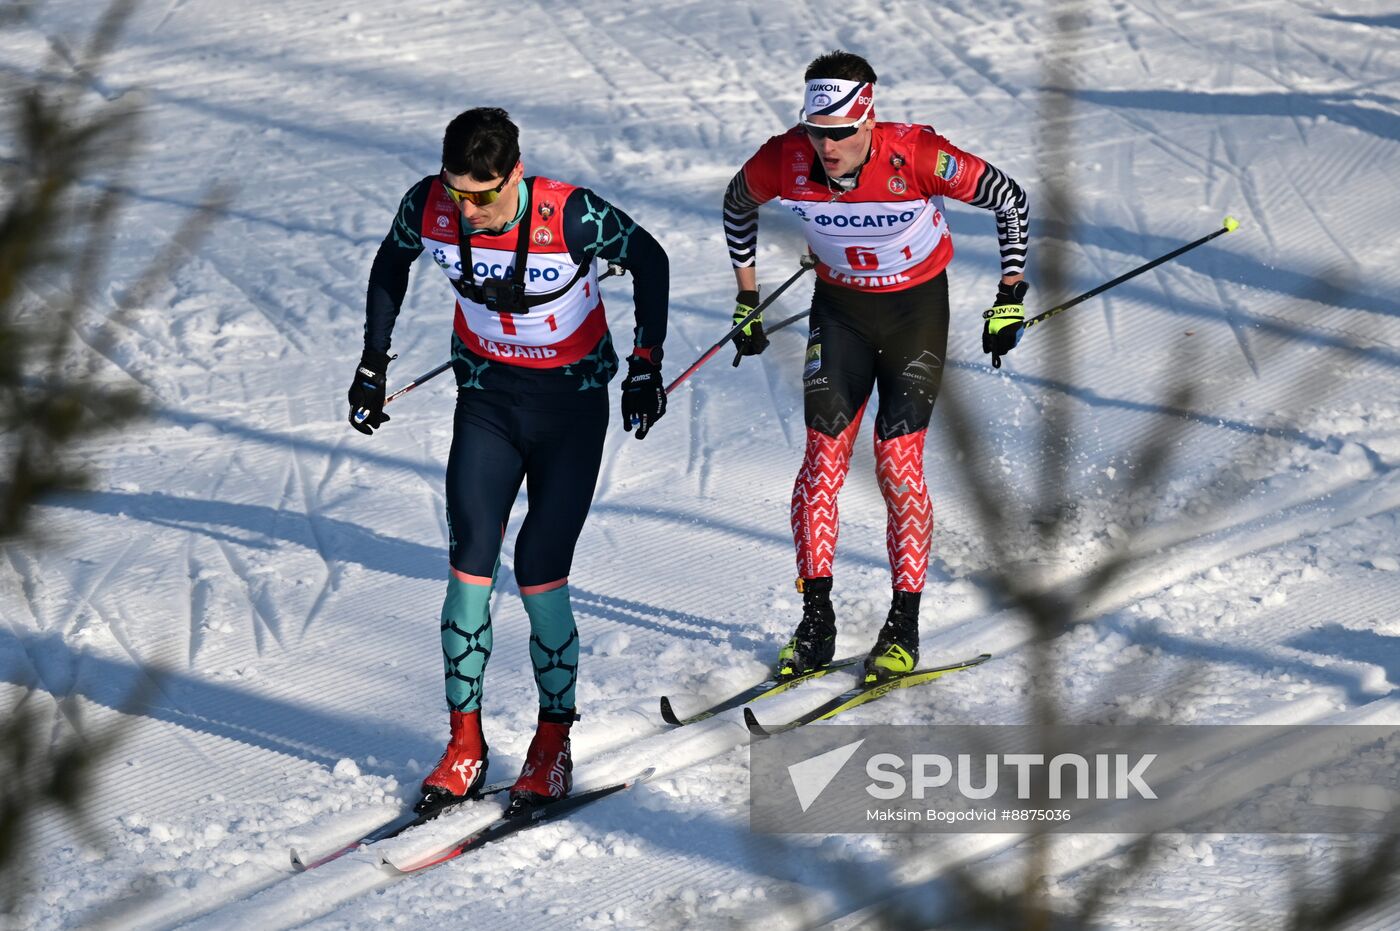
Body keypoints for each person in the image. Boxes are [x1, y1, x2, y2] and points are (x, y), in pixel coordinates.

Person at [347, 107, 669, 816]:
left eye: (484, 194)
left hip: (570, 408)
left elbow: (651, 258)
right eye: (457, 191)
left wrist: (646, 364)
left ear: (514, 175)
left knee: (539, 571)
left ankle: (552, 745)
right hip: (488, 399)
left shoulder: (571, 214)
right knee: (469, 565)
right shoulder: (429, 204)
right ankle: (465, 745)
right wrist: (373, 363)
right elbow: (389, 263)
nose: (470, 209)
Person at [721, 50, 1030, 684]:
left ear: (868, 120)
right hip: (840, 313)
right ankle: (816, 622)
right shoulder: (784, 158)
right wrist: (746, 297)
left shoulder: (915, 155)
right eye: (816, 131)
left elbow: (1009, 199)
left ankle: (904, 624)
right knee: (821, 459)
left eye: (839, 133)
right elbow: (735, 205)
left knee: (896, 460)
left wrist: (1010, 295)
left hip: (915, 311)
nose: (826, 147)